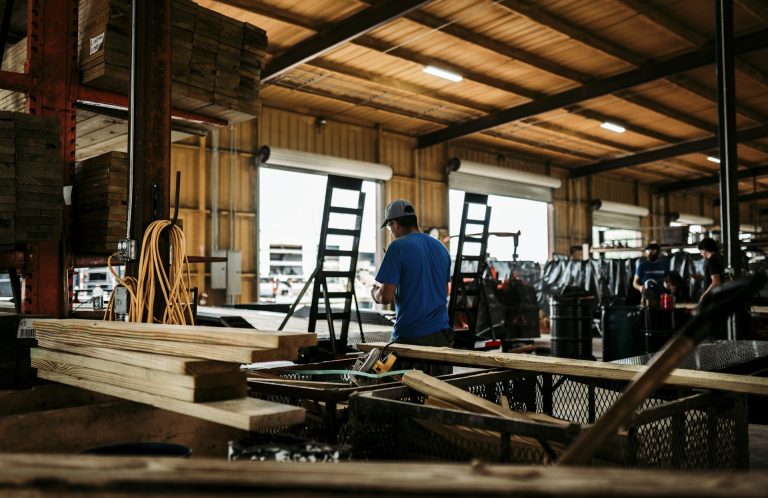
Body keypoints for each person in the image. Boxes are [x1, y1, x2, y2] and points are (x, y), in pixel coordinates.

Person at [371, 199, 453, 375]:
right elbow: (444, 291)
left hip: (412, 338)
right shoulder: (441, 248)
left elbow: (386, 297)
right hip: (442, 338)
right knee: (440, 395)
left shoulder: (398, 247)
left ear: (395, 224)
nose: (391, 232)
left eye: (390, 227)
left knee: (407, 394)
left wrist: (374, 292)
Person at [698, 237, 724, 302]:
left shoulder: (712, 260)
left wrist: (704, 295)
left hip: (713, 298)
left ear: (705, 249)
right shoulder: (718, 257)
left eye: (701, 251)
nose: (700, 253)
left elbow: (716, 281)